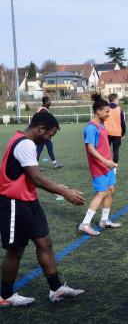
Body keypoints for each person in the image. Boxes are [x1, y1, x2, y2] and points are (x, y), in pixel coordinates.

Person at [0, 112, 85, 307]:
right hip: (14, 203)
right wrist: (65, 193)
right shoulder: (25, 143)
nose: (49, 139)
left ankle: (56, 289)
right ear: (40, 129)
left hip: (29, 201)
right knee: (15, 250)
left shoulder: (25, 141)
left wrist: (59, 187)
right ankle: (5, 296)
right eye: (50, 135)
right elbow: (36, 178)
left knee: (44, 242)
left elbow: (32, 177)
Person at [79, 94, 121, 236]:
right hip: (99, 167)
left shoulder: (101, 125)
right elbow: (90, 148)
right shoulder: (91, 128)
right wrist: (105, 161)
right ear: (98, 111)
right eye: (107, 111)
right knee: (101, 193)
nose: (109, 114)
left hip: (108, 166)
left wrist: (111, 162)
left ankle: (104, 220)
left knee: (110, 190)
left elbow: (103, 146)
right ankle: (85, 223)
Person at [36, 96, 63, 169]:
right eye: (49, 101)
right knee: (40, 149)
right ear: (46, 102)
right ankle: (35, 166)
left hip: (43, 133)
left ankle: (54, 164)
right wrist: (56, 126)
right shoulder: (43, 110)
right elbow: (50, 119)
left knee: (48, 147)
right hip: (42, 134)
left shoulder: (43, 110)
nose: (51, 102)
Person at [104, 93, 126, 173]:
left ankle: (106, 167)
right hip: (117, 134)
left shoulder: (106, 109)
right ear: (115, 100)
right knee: (115, 151)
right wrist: (123, 133)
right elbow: (123, 123)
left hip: (106, 133)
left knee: (106, 151)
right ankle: (114, 170)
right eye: (117, 99)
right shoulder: (119, 109)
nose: (118, 101)